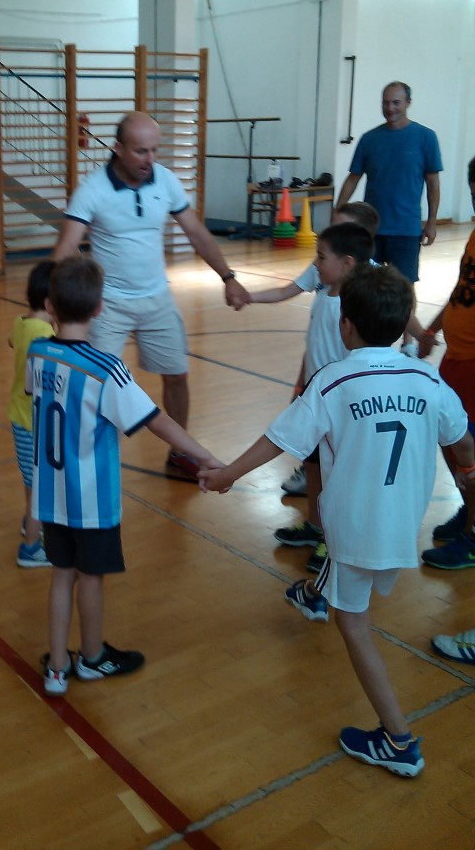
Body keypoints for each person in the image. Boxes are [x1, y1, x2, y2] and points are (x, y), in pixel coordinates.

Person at [200, 263, 475, 777]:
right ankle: (314, 592)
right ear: (404, 322)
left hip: (355, 526)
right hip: (402, 522)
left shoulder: (333, 381)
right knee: (348, 583)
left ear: (344, 325)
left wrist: (227, 475)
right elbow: (461, 440)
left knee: (353, 621)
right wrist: (467, 472)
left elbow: (279, 439)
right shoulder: (426, 378)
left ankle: (398, 740)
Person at [27, 255, 220, 696]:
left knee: (61, 574)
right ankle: (93, 658)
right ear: (100, 309)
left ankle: (56, 667)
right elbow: (157, 420)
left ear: (49, 307)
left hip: (51, 494)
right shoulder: (105, 369)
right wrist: (205, 456)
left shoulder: (38, 353)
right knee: (90, 577)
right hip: (91, 499)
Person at [52, 111, 250, 481]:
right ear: (118, 148)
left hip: (157, 298)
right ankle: (89, 461)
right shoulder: (93, 189)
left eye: (155, 150)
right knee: (96, 383)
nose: (150, 159)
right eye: (141, 151)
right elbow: (64, 249)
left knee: (177, 375)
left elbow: (197, 233)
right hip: (107, 305)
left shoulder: (166, 181)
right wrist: (45, 307)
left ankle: (180, 455)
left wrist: (228, 277)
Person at [254, 222, 374, 572]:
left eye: (321, 257)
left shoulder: (353, 309)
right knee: (313, 465)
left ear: (347, 263)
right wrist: (300, 386)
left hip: (338, 405)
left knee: (336, 474)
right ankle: (315, 524)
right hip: (314, 397)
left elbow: (356, 361)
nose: (316, 264)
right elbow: (314, 347)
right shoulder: (325, 293)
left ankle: (334, 538)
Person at [334, 81, 443, 352]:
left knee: (404, 286)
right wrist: (338, 213)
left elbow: (433, 183)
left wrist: (431, 222)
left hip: (406, 228)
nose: (390, 108)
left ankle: (407, 343)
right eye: (385, 102)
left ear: (408, 103)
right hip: (371, 229)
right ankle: (366, 337)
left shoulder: (425, 138)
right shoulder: (370, 139)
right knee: (363, 283)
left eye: (396, 102)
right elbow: (353, 178)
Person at [417, 156, 475, 570]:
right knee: (449, 436)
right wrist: (431, 329)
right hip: (455, 359)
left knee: (469, 444)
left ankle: (473, 538)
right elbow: (462, 290)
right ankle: (469, 508)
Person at [7, 260, 55, 568]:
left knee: (31, 480)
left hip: (19, 417)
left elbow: (12, 341)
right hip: (34, 421)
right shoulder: (46, 336)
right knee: (40, 487)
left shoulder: (21, 322)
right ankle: (31, 549)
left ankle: (30, 524)